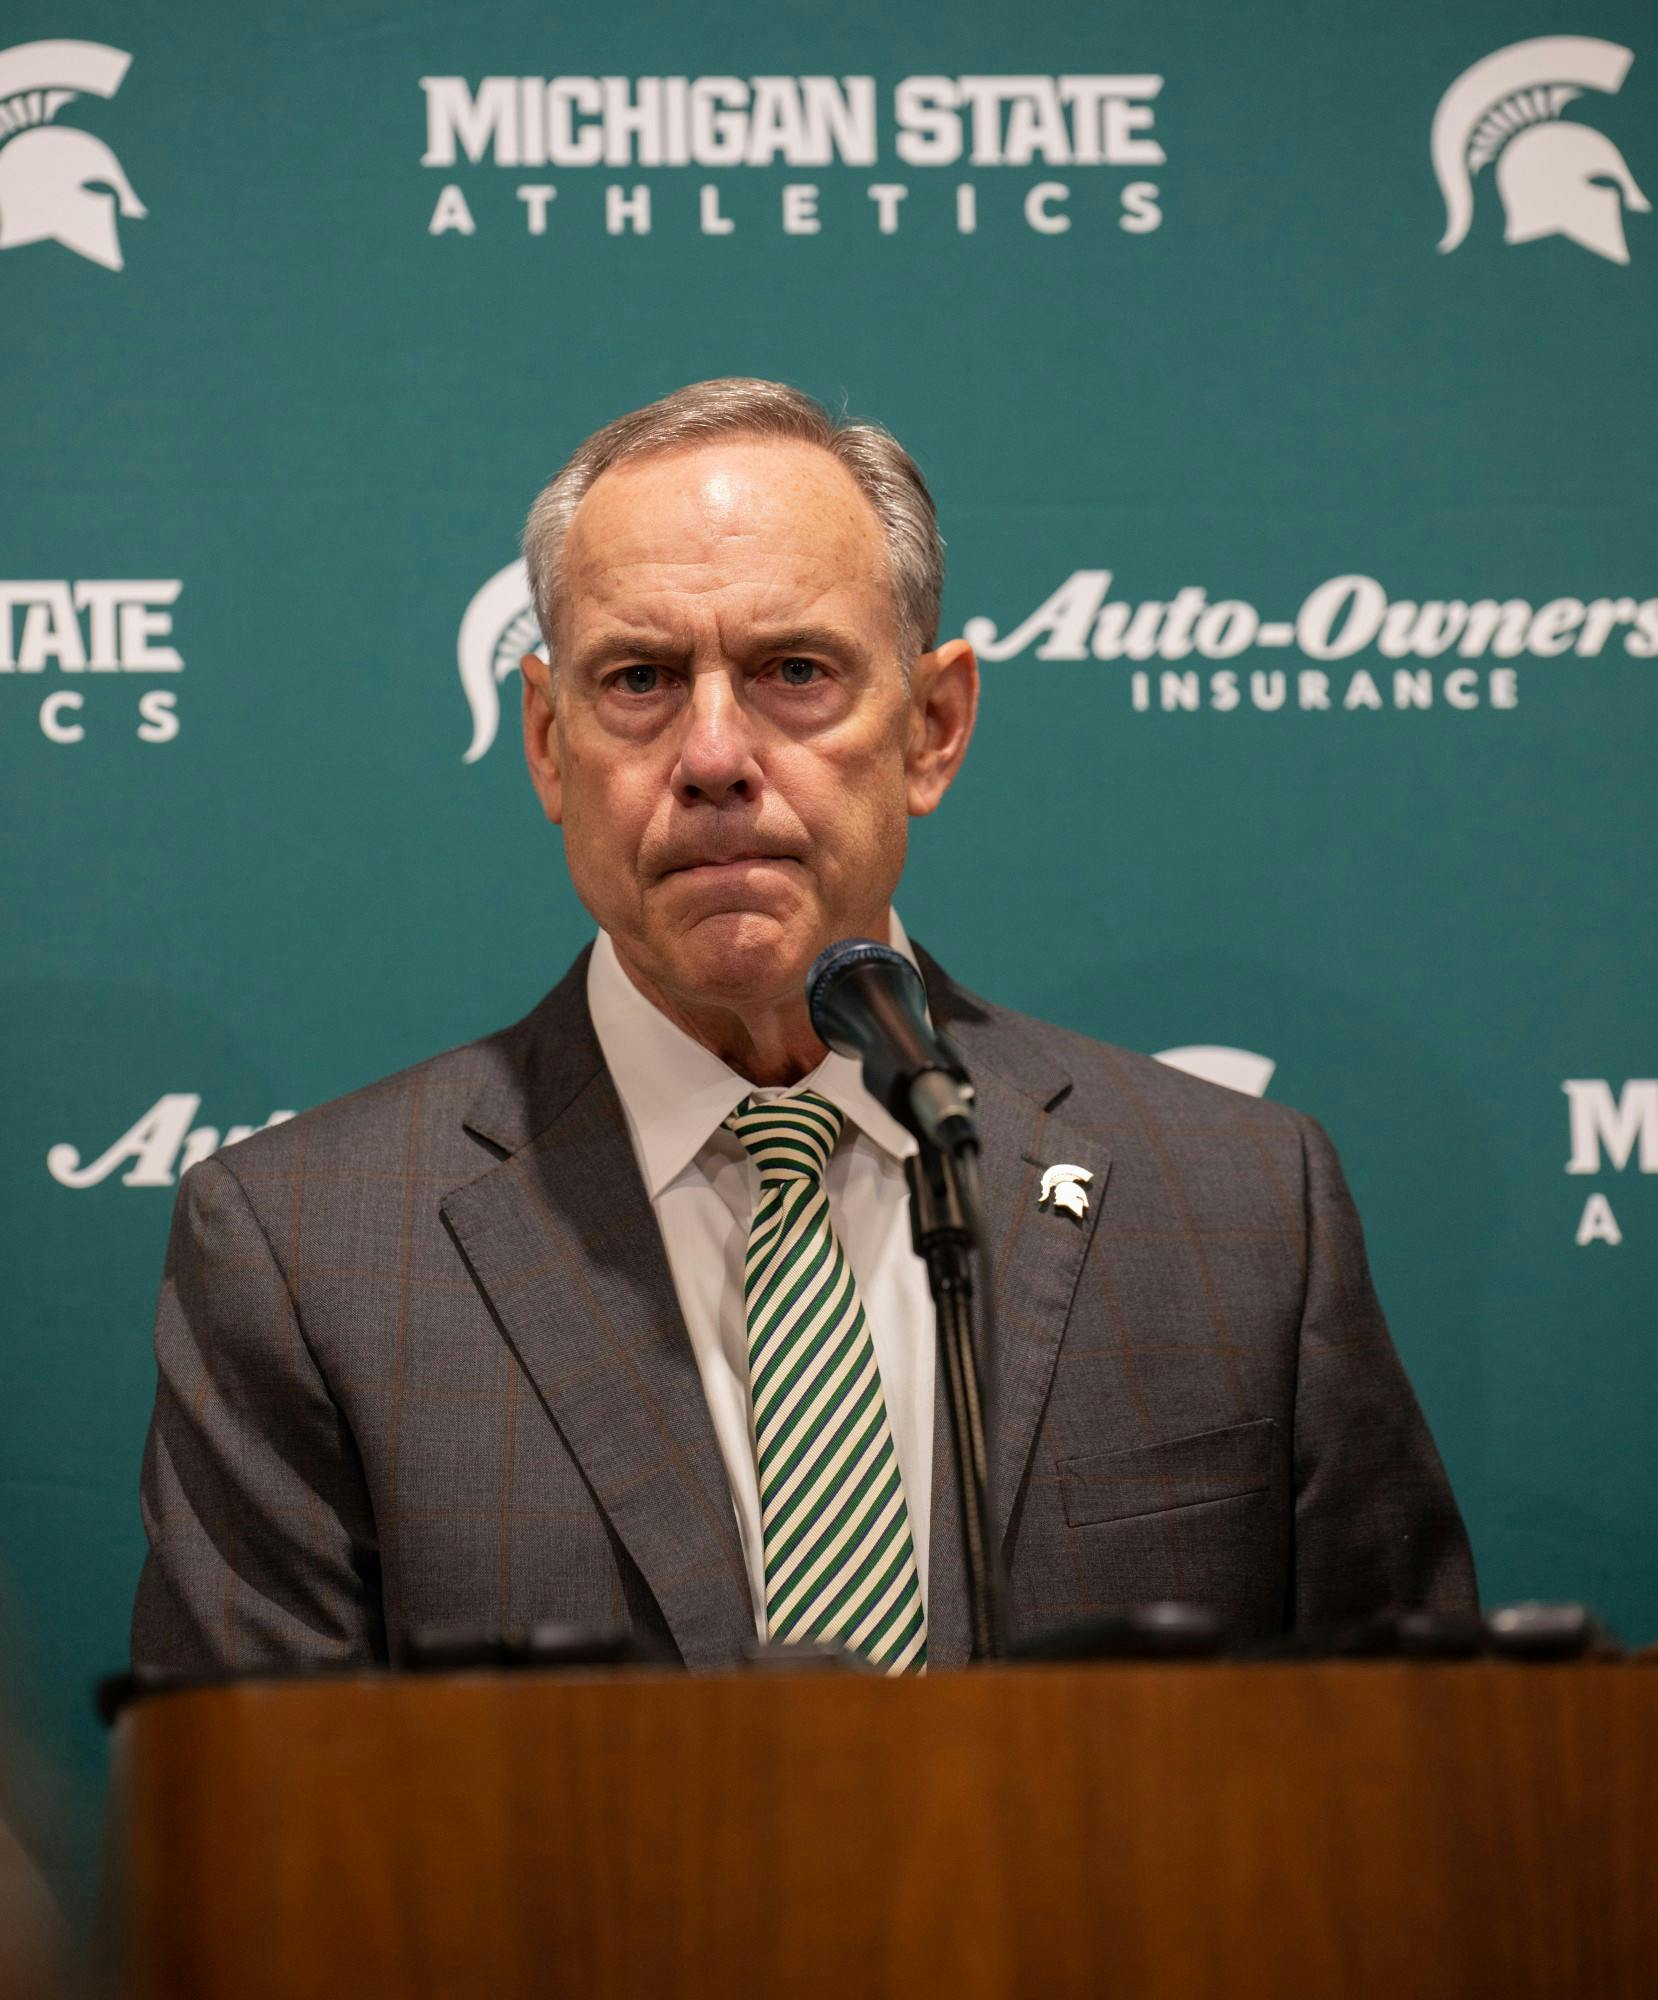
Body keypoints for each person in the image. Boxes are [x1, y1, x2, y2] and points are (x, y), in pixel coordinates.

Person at [131, 379, 1475, 1679]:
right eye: (640, 680)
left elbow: (1409, 1781)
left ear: (933, 727)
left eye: (793, 670)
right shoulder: (305, 1255)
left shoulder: (1239, 1208)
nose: (714, 755)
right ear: (546, 741)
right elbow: (260, 1853)